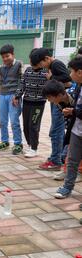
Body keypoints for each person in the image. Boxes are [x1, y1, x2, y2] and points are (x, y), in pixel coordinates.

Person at [30, 48, 72, 171]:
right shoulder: (53, 65)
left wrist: (52, 77)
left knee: (56, 131)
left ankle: (56, 160)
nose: (42, 67)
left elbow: (67, 79)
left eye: (41, 64)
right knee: (55, 131)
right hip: (56, 100)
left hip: (59, 100)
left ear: (47, 59)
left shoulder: (56, 64)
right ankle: (59, 157)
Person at [43, 80, 82, 182]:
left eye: (49, 98)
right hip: (73, 127)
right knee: (68, 150)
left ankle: (78, 173)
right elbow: (67, 120)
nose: (49, 101)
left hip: (79, 127)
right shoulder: (59, 102)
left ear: (59, 94)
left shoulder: (75, 96)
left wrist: (72, 113)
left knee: (74, 151)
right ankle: (67, 172)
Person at [54, 57, 82, 199]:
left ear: (80, 72)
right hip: (77, 130)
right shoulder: (78, 86)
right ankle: (67, 187)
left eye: (72, 71)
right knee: (72, 161)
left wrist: (73, 112)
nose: (70, 75)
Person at [13, 49, 48, 158]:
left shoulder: (45, 72)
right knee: (26, 126)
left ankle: (34, 148)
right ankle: (30, 145)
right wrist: (17, 96)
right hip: (27, 102)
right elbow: (22, 84)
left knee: (33, 126)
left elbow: (50, 86)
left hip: (39, 104)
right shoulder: (27, 71)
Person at [0, 44, 23, 155]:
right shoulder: (2, 68)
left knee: (14, 121)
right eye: (3, 57)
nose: (5, 59)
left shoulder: (19, 64)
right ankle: (5, 141)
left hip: (13, 96)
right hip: (2, 95)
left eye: (7, 56)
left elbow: (22, 82)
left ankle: (18, 143)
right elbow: (1, 81)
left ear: (13, 54)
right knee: (2, 121)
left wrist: (17, 96)